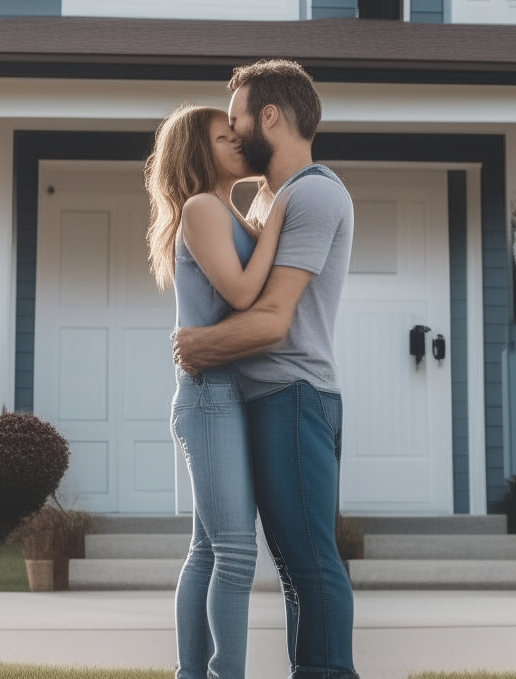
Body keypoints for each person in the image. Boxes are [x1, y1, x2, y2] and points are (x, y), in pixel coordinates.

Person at [173, 60, 357, 679]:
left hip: (294, 394)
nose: (231, 130)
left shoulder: (312, 192)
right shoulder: (266, 197)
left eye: (236, 119)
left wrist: (201, 346)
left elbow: (272, 318)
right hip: (255, 397)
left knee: (308, 563)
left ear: (268, 117)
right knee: (282, 565)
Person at [144, 103, 289, 679]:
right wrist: (280, 219)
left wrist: (267, 214)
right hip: (209, 395)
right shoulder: (203, 208)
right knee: (234, 551)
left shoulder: (226, 212)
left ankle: (192, 674)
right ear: (197, 153)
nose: (238, 143)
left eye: (237, 135)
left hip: (221, 392)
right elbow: (244, 297)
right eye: (225, 138)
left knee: (208, 550)